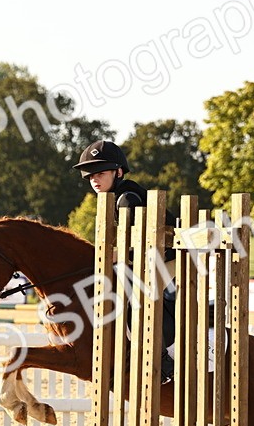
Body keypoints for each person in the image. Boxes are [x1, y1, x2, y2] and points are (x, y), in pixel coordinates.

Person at [72, 140, 178, 383]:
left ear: (118, 172)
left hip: (172, 258)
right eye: (90, 176)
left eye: (101, 173)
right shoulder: (114, 197)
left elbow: (132, 248)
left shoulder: (127, 199)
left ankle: (163, 361)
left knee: (135, 291)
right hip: (150, 257)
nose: (94, 180)